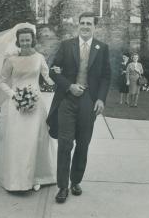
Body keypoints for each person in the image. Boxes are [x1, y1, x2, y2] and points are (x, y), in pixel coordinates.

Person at [47, 12, 111, 203]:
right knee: (65, 143)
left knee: (83, 143)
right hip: (67, 99)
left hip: (88, 101)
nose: (85, 26)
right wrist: (69, 86)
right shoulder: (67, 45)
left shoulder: (102, 48)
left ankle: (75, 181)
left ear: (94, 27)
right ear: (78, 25)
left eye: (89, 23)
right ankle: (62, 186)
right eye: (82, 23)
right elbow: (53, 70)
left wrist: (100, 99)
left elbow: (106, 76)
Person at [0, 26, 57, 192]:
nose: (25, 42)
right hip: (16, 106)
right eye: (22, 40)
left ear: (32, 40)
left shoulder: (39, 58)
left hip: (36, 104)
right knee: (18, 141)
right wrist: (14, 95)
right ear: (18, 41)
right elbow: (2, 81)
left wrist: (61, 80)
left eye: (28, 39)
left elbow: (48, 77)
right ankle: (17, 181)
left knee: (36, 139)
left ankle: (38, 177)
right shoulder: (11, 60)